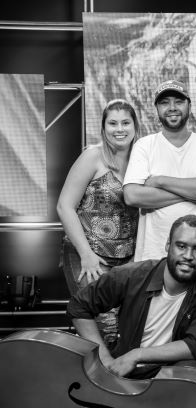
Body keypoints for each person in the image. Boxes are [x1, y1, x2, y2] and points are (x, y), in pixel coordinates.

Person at [66, 214, 196, 379]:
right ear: (168, 245)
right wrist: (104, 359)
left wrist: (137, 355)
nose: (188, 256)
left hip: (173, 372)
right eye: (181, 246)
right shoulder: (133, 275)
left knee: (193, 371)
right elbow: (78, 307)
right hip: (127, 371)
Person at [57, 99, 140, 345]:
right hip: (89, 254)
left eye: (125, 122)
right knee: (106, 326)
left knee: (124, 329)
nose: (119, 129)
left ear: (135, 126)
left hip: (127, 258)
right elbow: (64, 206)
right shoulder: (92, 156)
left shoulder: (141, 160)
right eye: (112, 123)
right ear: (103, 128)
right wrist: (86, 254)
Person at [123, 79, 196, 270]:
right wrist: (195, 193)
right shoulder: (144, 145)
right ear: (157, 109)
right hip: (153, 258)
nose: (172, 108)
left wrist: (160, 181)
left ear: (189, 106)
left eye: (178, 101)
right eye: (164, 102)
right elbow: (132, 196)